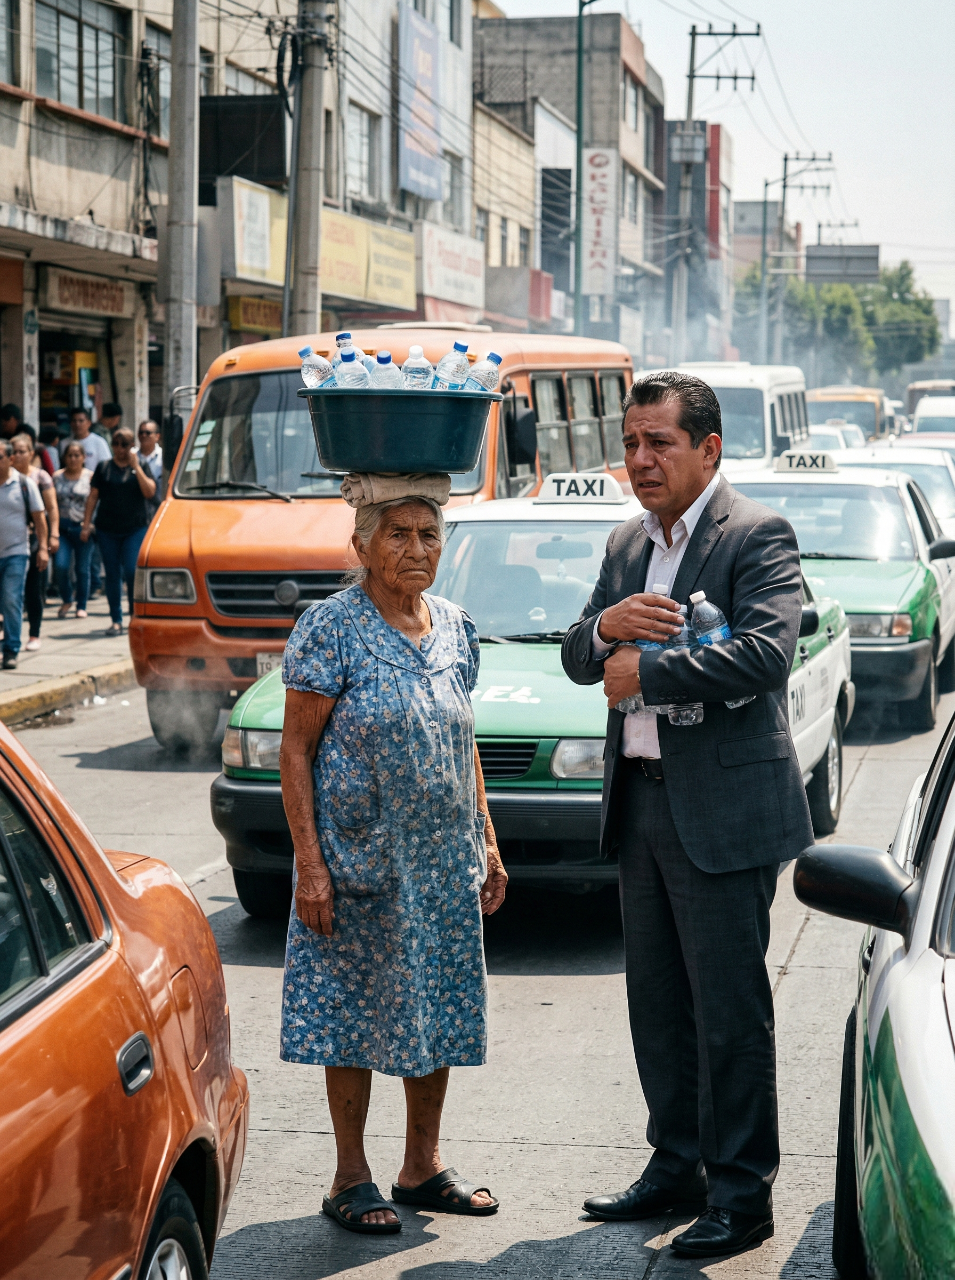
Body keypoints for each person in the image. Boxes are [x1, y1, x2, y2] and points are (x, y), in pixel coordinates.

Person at [562, 372, 813, 1260]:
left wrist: (647, 672)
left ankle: (742, 1196)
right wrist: (603, 635)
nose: (639, 460)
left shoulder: (754, 534)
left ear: (707, 448)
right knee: (658, 1006)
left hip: (725, 812)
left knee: (728, 1014)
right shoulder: (628, 541)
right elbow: (576, 652)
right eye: (630, 443)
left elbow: (765, 655)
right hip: (641, 807)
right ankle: (675, 1167)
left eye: (658, 443)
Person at [280, 475, 508, 1235]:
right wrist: (310, 865)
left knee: (434, 1003)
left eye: (428, 535)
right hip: (357, 860)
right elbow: (295, 750)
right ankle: (350, 1175)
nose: (416, 548)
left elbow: (461, 734)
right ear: (362, 546)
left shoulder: (453, 624)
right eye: (398, 534)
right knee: (349, 1011)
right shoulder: (330, 627)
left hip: (442, 862)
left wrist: (488, 840)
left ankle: (421, 1166)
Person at [80, 427, 155, 636]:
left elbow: (150, 492)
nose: (119, 449)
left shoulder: (141, 466)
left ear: (132, 447)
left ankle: (133, 614)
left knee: (131, 571)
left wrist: (136, 467)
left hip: (134, 528)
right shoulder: (104, 468)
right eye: (116, 444)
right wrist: (86, 525)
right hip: (108, 529)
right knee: (112, 575)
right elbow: (93, 497)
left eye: (125, 444)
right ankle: (116, 619)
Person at [0, 439, 47, 669]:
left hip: (16, 552)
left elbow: (40, 519)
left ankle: (10, 649)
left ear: (9, 459)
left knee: (11, 599)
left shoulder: (24, 484)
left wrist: (45, 548)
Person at [10, 432, 58, 652]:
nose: (17, 456)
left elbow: (51, 510)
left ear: (30, 453)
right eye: (13, 452)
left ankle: (34, 633)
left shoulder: (40, 478)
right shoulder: (5, 479)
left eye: (22, 451)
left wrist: (52, 537)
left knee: (32, 589)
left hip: (34, 539)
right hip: (10, 541)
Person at [53, 440, 93, 619]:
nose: (73, 459)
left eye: (77, 455)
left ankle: (81, 604)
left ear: (84, 458)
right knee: (61, 566)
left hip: (83, 527)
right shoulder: (56, 477)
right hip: (62, 528)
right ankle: (67, 598)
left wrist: (89, 525)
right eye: (70, 455)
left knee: (82, 569)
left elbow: (96, 503)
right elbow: (51, 504)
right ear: (64, 458)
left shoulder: (90, 477)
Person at [136, 419, 164, 522]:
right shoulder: (132, 457)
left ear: (157, 436)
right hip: (137, 514)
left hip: (158, 511)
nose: (143, 435)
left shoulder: (164, 458)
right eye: (141, 432)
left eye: (148, 433)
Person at [69, 407, 111, 472]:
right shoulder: (64, 443)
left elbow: (107, 466)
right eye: (74, 421)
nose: (77, 424)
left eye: (81, 421)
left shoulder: (99, 442)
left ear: (89, 423)